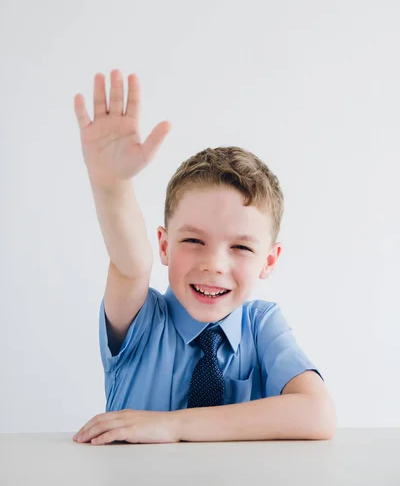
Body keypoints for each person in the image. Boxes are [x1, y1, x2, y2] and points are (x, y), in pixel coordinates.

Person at [72, 69, 336, 445]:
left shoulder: (261, 325)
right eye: (194, 240)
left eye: (241, 247)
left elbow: (318, 413)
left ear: (269, 261)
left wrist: (173, 426)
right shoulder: (142, 321)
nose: (214, 264)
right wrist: (111, 185)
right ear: (164, 245)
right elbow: (130, 263)